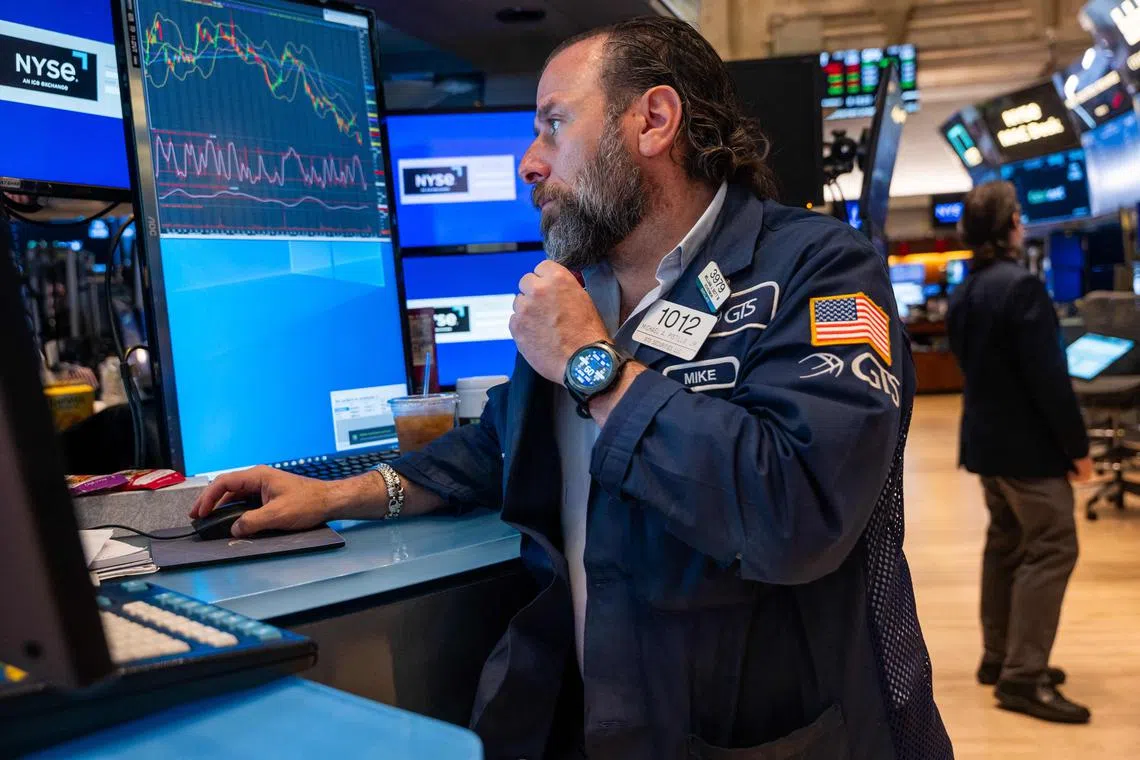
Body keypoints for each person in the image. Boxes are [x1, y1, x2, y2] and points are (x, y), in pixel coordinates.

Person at [191, 18, 952, 759]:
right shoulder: (582, 290)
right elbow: (500, 443)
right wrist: (334, 496)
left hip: (775, 736)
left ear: (654, 120)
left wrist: (594, 365)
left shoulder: (821, 269)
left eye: (553, 125)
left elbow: (800, 511)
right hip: (604, 716)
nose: (529, 161)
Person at [947, 180, 1092, 724]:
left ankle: (999, 656)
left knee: (1006, 544)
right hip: (1029, 453)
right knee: (1052, 546)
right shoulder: (1021, 288)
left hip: (986, 446)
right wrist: (1077, 451)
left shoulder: (968, 290)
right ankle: (1023, 678)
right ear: (1011, 226)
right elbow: (1050, 382)